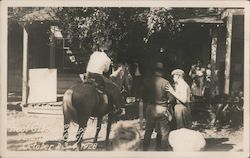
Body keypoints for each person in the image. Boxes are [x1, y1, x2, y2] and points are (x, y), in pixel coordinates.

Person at [143, 62, 175, 151]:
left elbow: (143, 96)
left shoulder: (147, 81)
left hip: (150, 108)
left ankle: (144, 150)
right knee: (164, 132)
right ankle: (162, 151)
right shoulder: (165, 82)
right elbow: (171, 99)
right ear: (162, 72)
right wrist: (167, 102)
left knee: (148, 130)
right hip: (162, 108)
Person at [86, 47, 124, 114]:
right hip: (97, 76)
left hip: (88, 74)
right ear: (109, 53)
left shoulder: (94, 53)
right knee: (114, 88)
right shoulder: (107, 59)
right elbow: (106, 70)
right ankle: (118, 107)